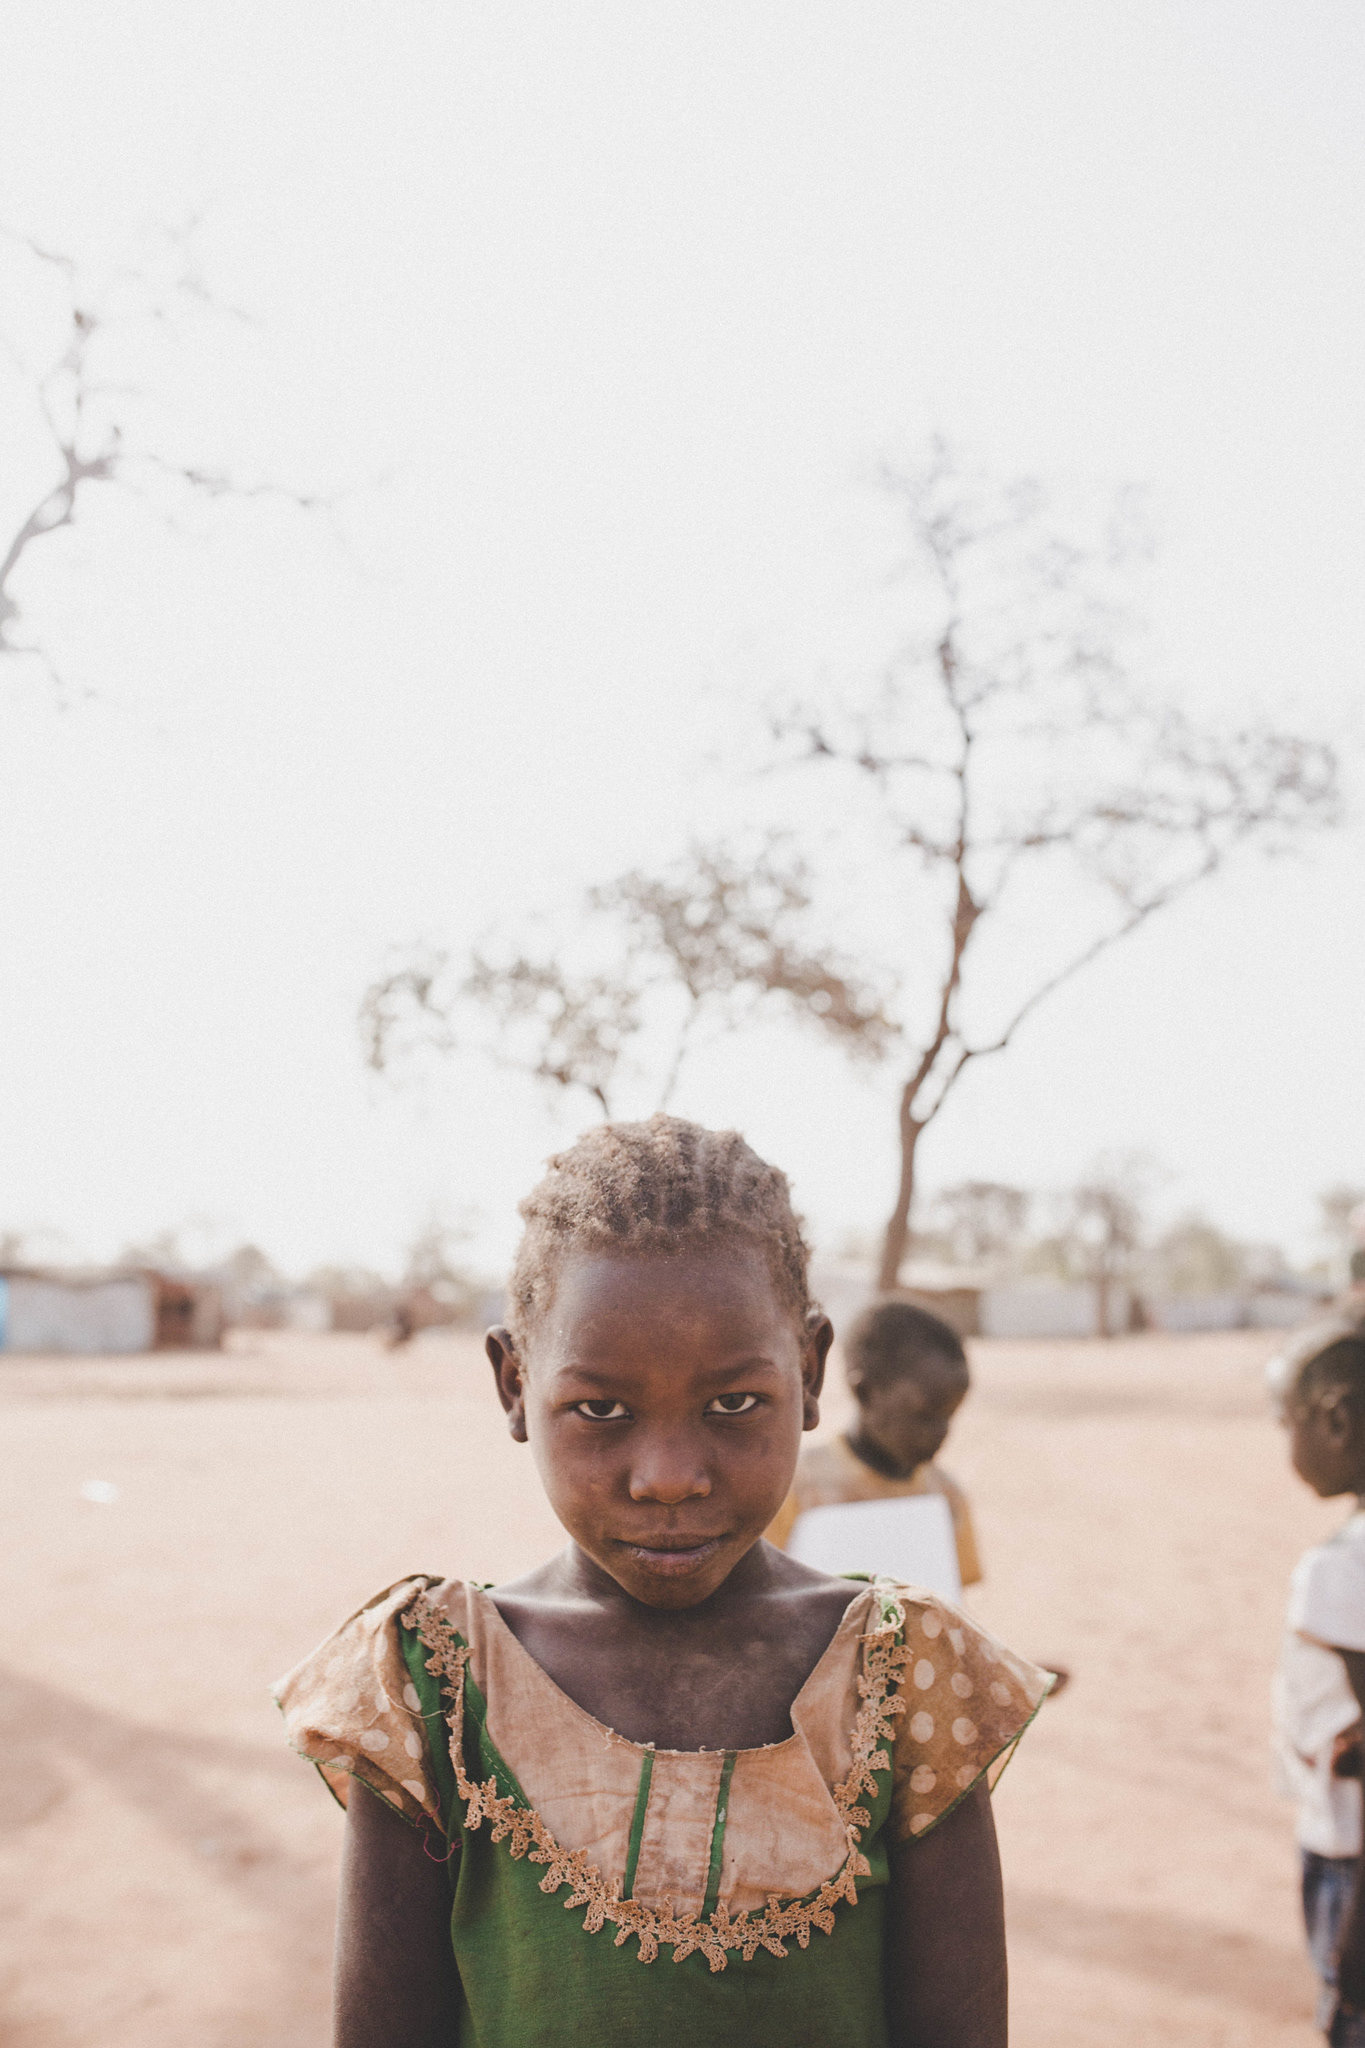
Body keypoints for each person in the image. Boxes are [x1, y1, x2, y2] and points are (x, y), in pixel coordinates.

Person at [275, 1115, 1051, 2048]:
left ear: (809, 1372)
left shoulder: (906, 1671)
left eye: (734, 1403)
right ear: (514, 1383)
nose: (670, 1477)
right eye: (600, 1408)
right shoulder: (431, 1684)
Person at [1274, 1312, 1365, 2045]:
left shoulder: (1341, 1569)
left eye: (1287, 1423)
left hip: (1350, 1858)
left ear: (1335, 1420)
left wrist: (1355, 1947)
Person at [765, 1299, 982, 1591]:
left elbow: (951, 1599)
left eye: (949, 1415)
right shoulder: (796, 1489)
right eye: (925, 1416)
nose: (942, 1431)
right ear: (865, 1392)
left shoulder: (945, 1496)